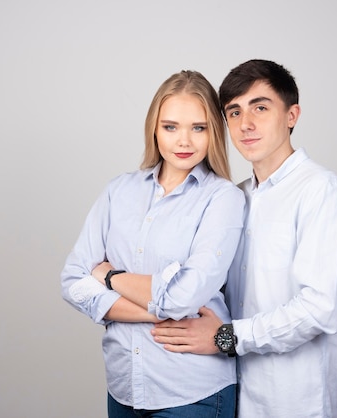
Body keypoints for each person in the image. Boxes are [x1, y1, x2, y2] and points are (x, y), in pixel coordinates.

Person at [151, 59, 337, 418]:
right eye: (233, 112)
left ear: (292, 115)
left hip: (298, 401)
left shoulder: (321, 191)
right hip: (234, 396)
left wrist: (226, 337)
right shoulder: (234, 197)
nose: (245, 124)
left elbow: (321, 308)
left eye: (260, 108)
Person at [61, 70, 245, 417]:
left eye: (199, 127)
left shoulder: (223, 199)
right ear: (154, 129)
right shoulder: (119, 191)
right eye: (171, 126)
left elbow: (185, 298)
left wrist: (111, 278)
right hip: (122, 388)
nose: (184, 141)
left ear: (213, 133)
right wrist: (163, 302)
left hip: (191, 393)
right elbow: (72, 281)